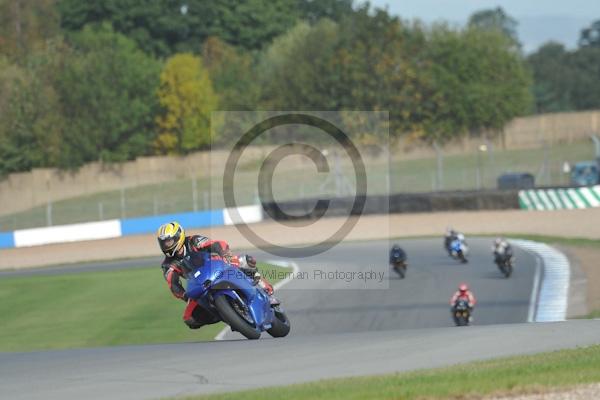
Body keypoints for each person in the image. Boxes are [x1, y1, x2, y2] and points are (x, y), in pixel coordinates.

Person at [157, 221, 274, 329]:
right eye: (163, 243)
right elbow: (173, 285)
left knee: (245, 261)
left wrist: (224, 256)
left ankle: (265, 287)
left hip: (215, 266)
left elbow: (217, 244)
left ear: (178, 237)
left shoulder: (194, 240)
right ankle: (224, 315)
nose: (166, 245)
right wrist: (185, 296)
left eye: (169, 241)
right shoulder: (167, 265)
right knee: (190, 319)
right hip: (198, 284)